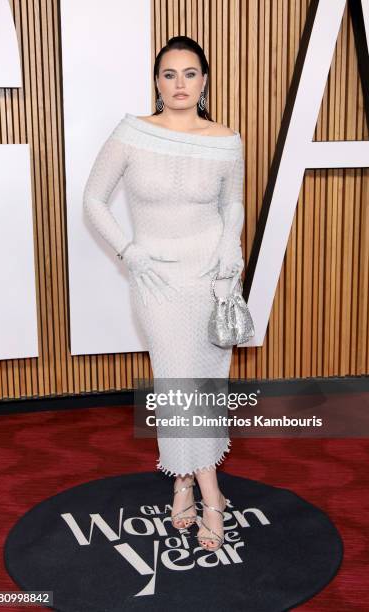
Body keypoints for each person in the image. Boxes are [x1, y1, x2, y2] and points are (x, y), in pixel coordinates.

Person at [83, 35, 245, 551]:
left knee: (203, 383)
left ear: (204, 80)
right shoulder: (132, 133)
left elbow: (232, 208)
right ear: (157, 81)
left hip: (209, 276)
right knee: (179, 380)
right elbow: (93, 199)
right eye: (169, 74)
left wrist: (230, 261)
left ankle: (180, 480)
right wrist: (129, 252)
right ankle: (211, 493)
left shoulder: (226, 140)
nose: (180, 83)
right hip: (156, 278)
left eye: (190, 73)